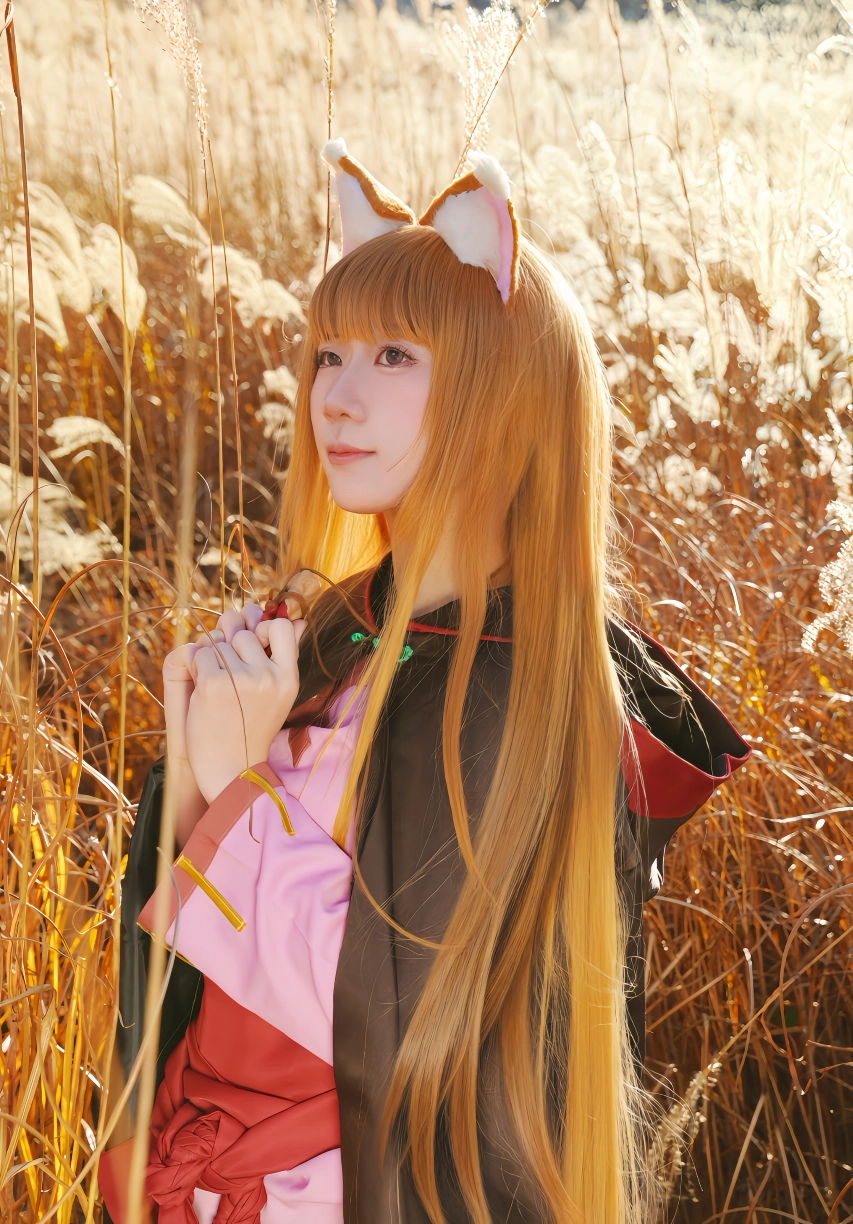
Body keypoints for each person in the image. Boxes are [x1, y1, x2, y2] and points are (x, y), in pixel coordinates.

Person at [99, 142, 749, 1224]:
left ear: (507, 389)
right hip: (200, 1176)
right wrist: (198, 745)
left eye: (394, 355)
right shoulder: (335, 626)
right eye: (329, 355)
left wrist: (237, 786)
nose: (337, 399)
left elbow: (398, 1022)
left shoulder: (518, 691)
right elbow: (193, 965)